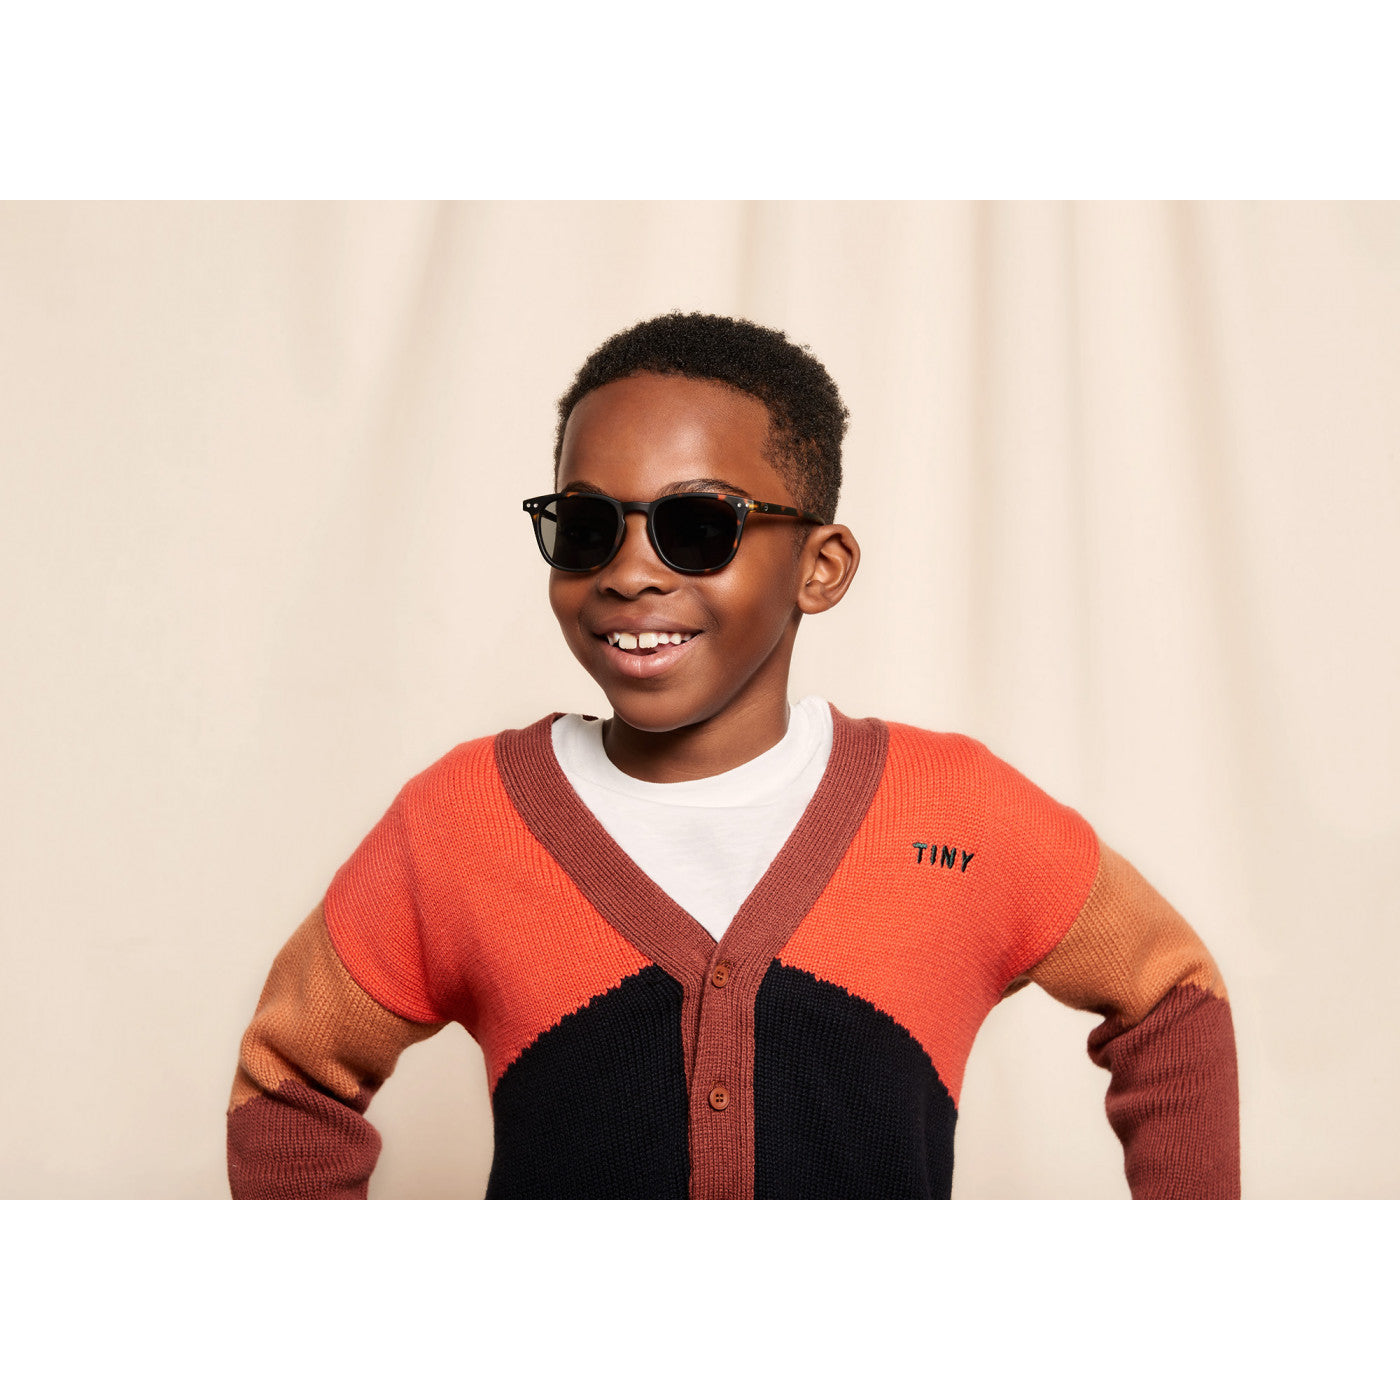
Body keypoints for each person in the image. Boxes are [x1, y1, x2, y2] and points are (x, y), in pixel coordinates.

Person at [226, 311, 1240, 1199]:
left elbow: (1170, 998)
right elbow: (291, 1078)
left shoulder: (955, 810)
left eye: (697, 526)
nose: (628, 572)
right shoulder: (462, 819)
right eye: (587, 526)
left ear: (819, 567)